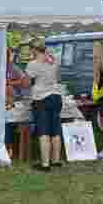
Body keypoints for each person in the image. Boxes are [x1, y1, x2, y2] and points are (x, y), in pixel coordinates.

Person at [25, 39, 64, 171]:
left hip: (42, 97)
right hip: (56, 96)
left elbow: (26, 82)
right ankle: (56, 160)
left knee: (44, 130)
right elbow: (58, 78)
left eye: (30, 50)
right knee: (55, 129)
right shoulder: (54, 60)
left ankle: (45, 164)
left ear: (33, 50)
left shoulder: (33, 64)